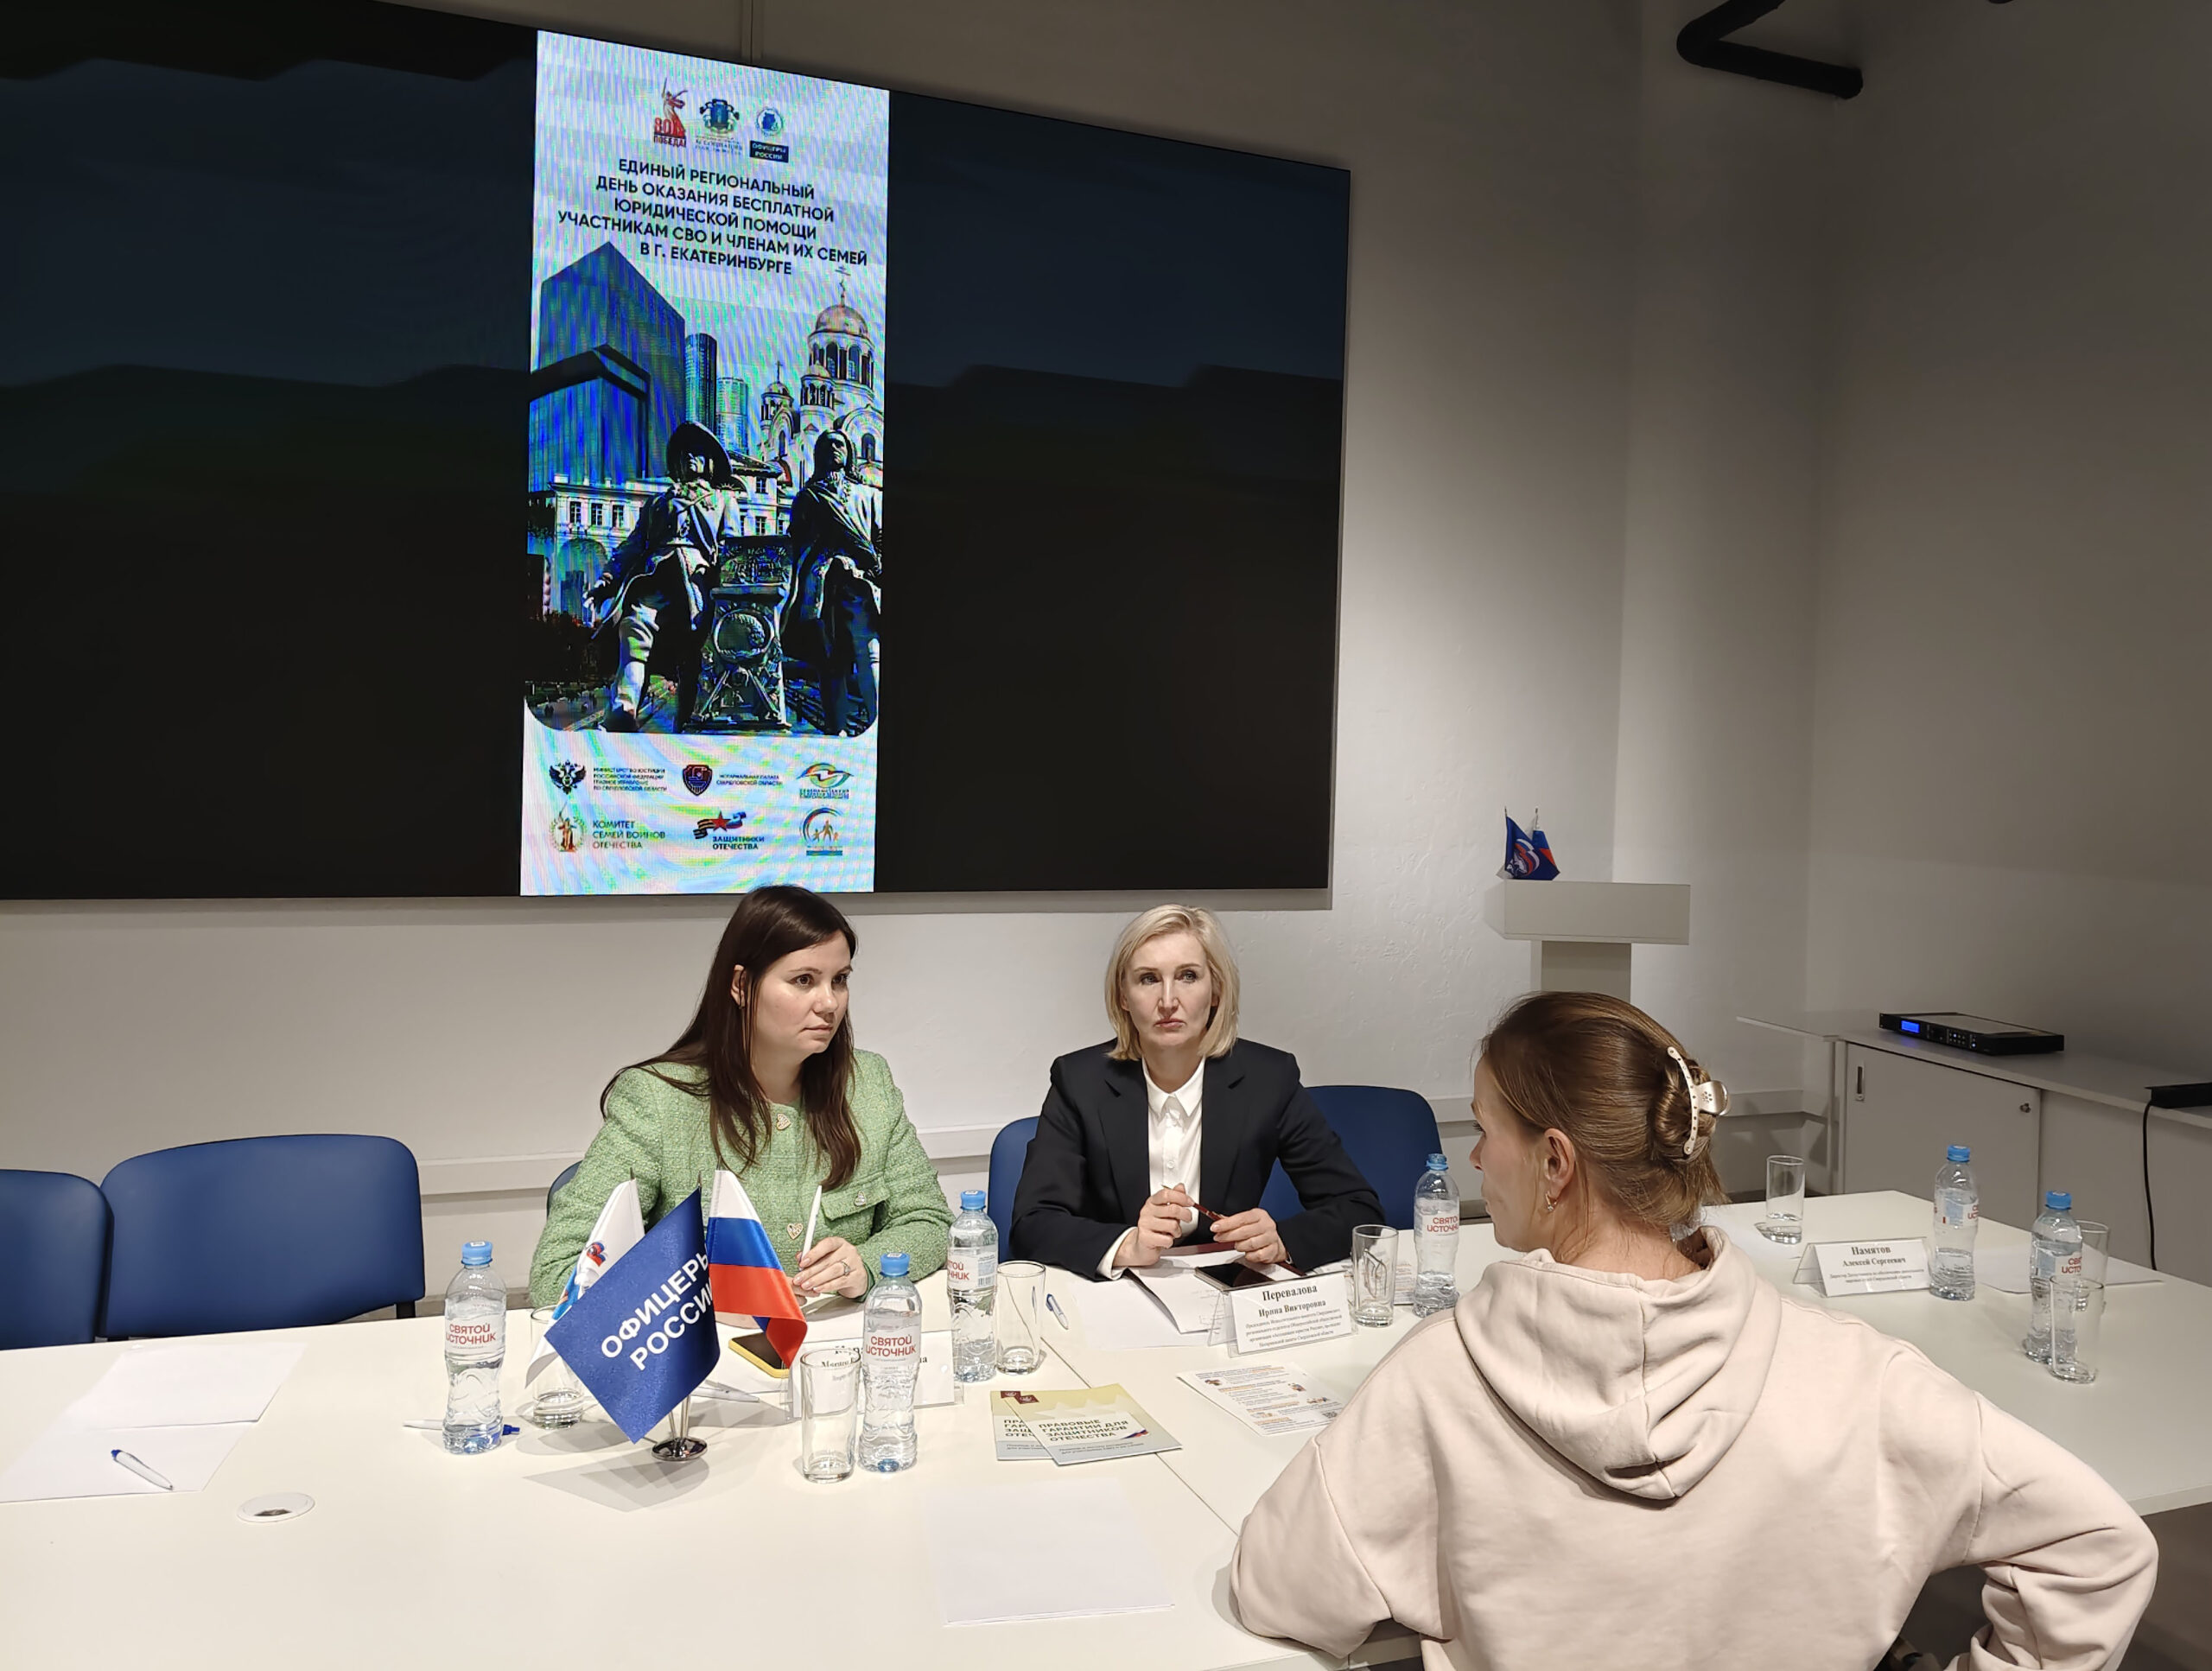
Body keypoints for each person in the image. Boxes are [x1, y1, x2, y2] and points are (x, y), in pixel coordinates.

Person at [1229, 991, 2158, 1669]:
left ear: (1554, 1162)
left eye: (1484, 1130)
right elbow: (2098, 1549)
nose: (1473, 1158)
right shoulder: (1857, 1375)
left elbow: (1280, 1589)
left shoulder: (1437, 1381)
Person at [529, 886, 950, 1308]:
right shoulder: (657, 1100)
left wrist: (867, 1265)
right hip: (710, 1347)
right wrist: (706, 1294)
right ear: (742, 986)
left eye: (839, 980)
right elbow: (558, 1275)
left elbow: (930, 1221)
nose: (829, 1003)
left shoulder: (867, 1084)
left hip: (843, 1340)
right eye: (804, 980)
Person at [1009, 904, 1382, 1277]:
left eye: (1188, 976)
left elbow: (1358, 1209)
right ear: (1123, 997)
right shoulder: (1079, 1081)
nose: (1168, 1001)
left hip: (1227, 1291)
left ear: (1216, 990)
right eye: (1148, 979)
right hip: (1114, 1294)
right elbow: (1032, 1223)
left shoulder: (1269, 1079)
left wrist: (1283, 1240)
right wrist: (1127, 1245)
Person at [585, 420, 746, 733]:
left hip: (698, 584)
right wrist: (607, 579)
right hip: (653, 578)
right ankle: (624, 707)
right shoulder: (657, 503)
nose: (690, 457)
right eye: (684, 453)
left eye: (697, 452)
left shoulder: (724, 501)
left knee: (695, 654)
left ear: (710, 463)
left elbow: (732, 548)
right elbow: (633, 545)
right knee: (634, 629)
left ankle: (687, 721)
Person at [782, 428, 880, 736]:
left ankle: (877, 724)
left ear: (849, 453)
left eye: (840, 444)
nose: (834, 449)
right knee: (828, 657)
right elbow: (796, 542)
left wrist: (875, 565)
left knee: (869, 651)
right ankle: (836, 729)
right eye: (827, 445)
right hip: (819, 586)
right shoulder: (807, 498)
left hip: (859, 581)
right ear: (817, 455)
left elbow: (881, 539)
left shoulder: (869, 496)